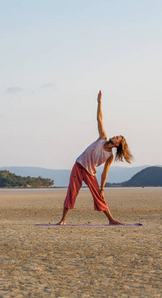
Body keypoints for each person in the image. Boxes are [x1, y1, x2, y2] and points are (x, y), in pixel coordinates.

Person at [57, 90, 133, 225]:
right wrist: (99, 103)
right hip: (79, 165)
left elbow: (104, 173)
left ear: (117, 145)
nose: (115, 136)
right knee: (72, 192)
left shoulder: (109, 156)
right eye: (116, 136)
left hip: (90, 172)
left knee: (98, 195)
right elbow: (99, 118)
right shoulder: (102, 137)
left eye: (117, 138)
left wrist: (102, 188)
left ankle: (111, 220)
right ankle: (63, 220)